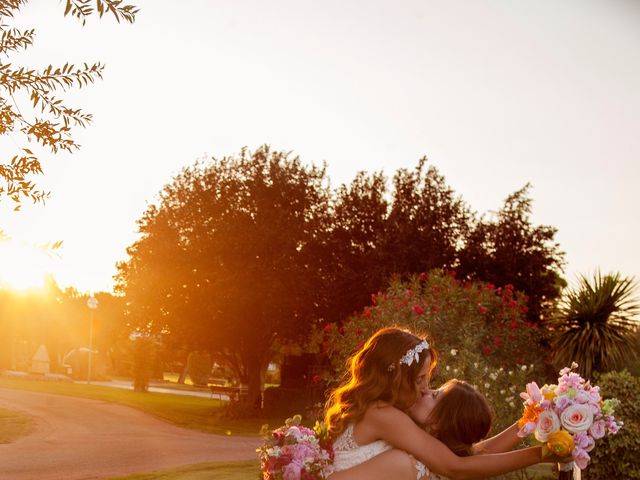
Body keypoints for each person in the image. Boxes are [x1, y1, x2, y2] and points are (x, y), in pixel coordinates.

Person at [325, 327, 549, 480]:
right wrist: (542, 454)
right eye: (420, 379)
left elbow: (472, 454)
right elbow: (456, 466)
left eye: (428, 380)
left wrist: (535, 417)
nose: (425, 388)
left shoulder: (390, 413)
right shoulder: (382, 413)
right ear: (396, 378)